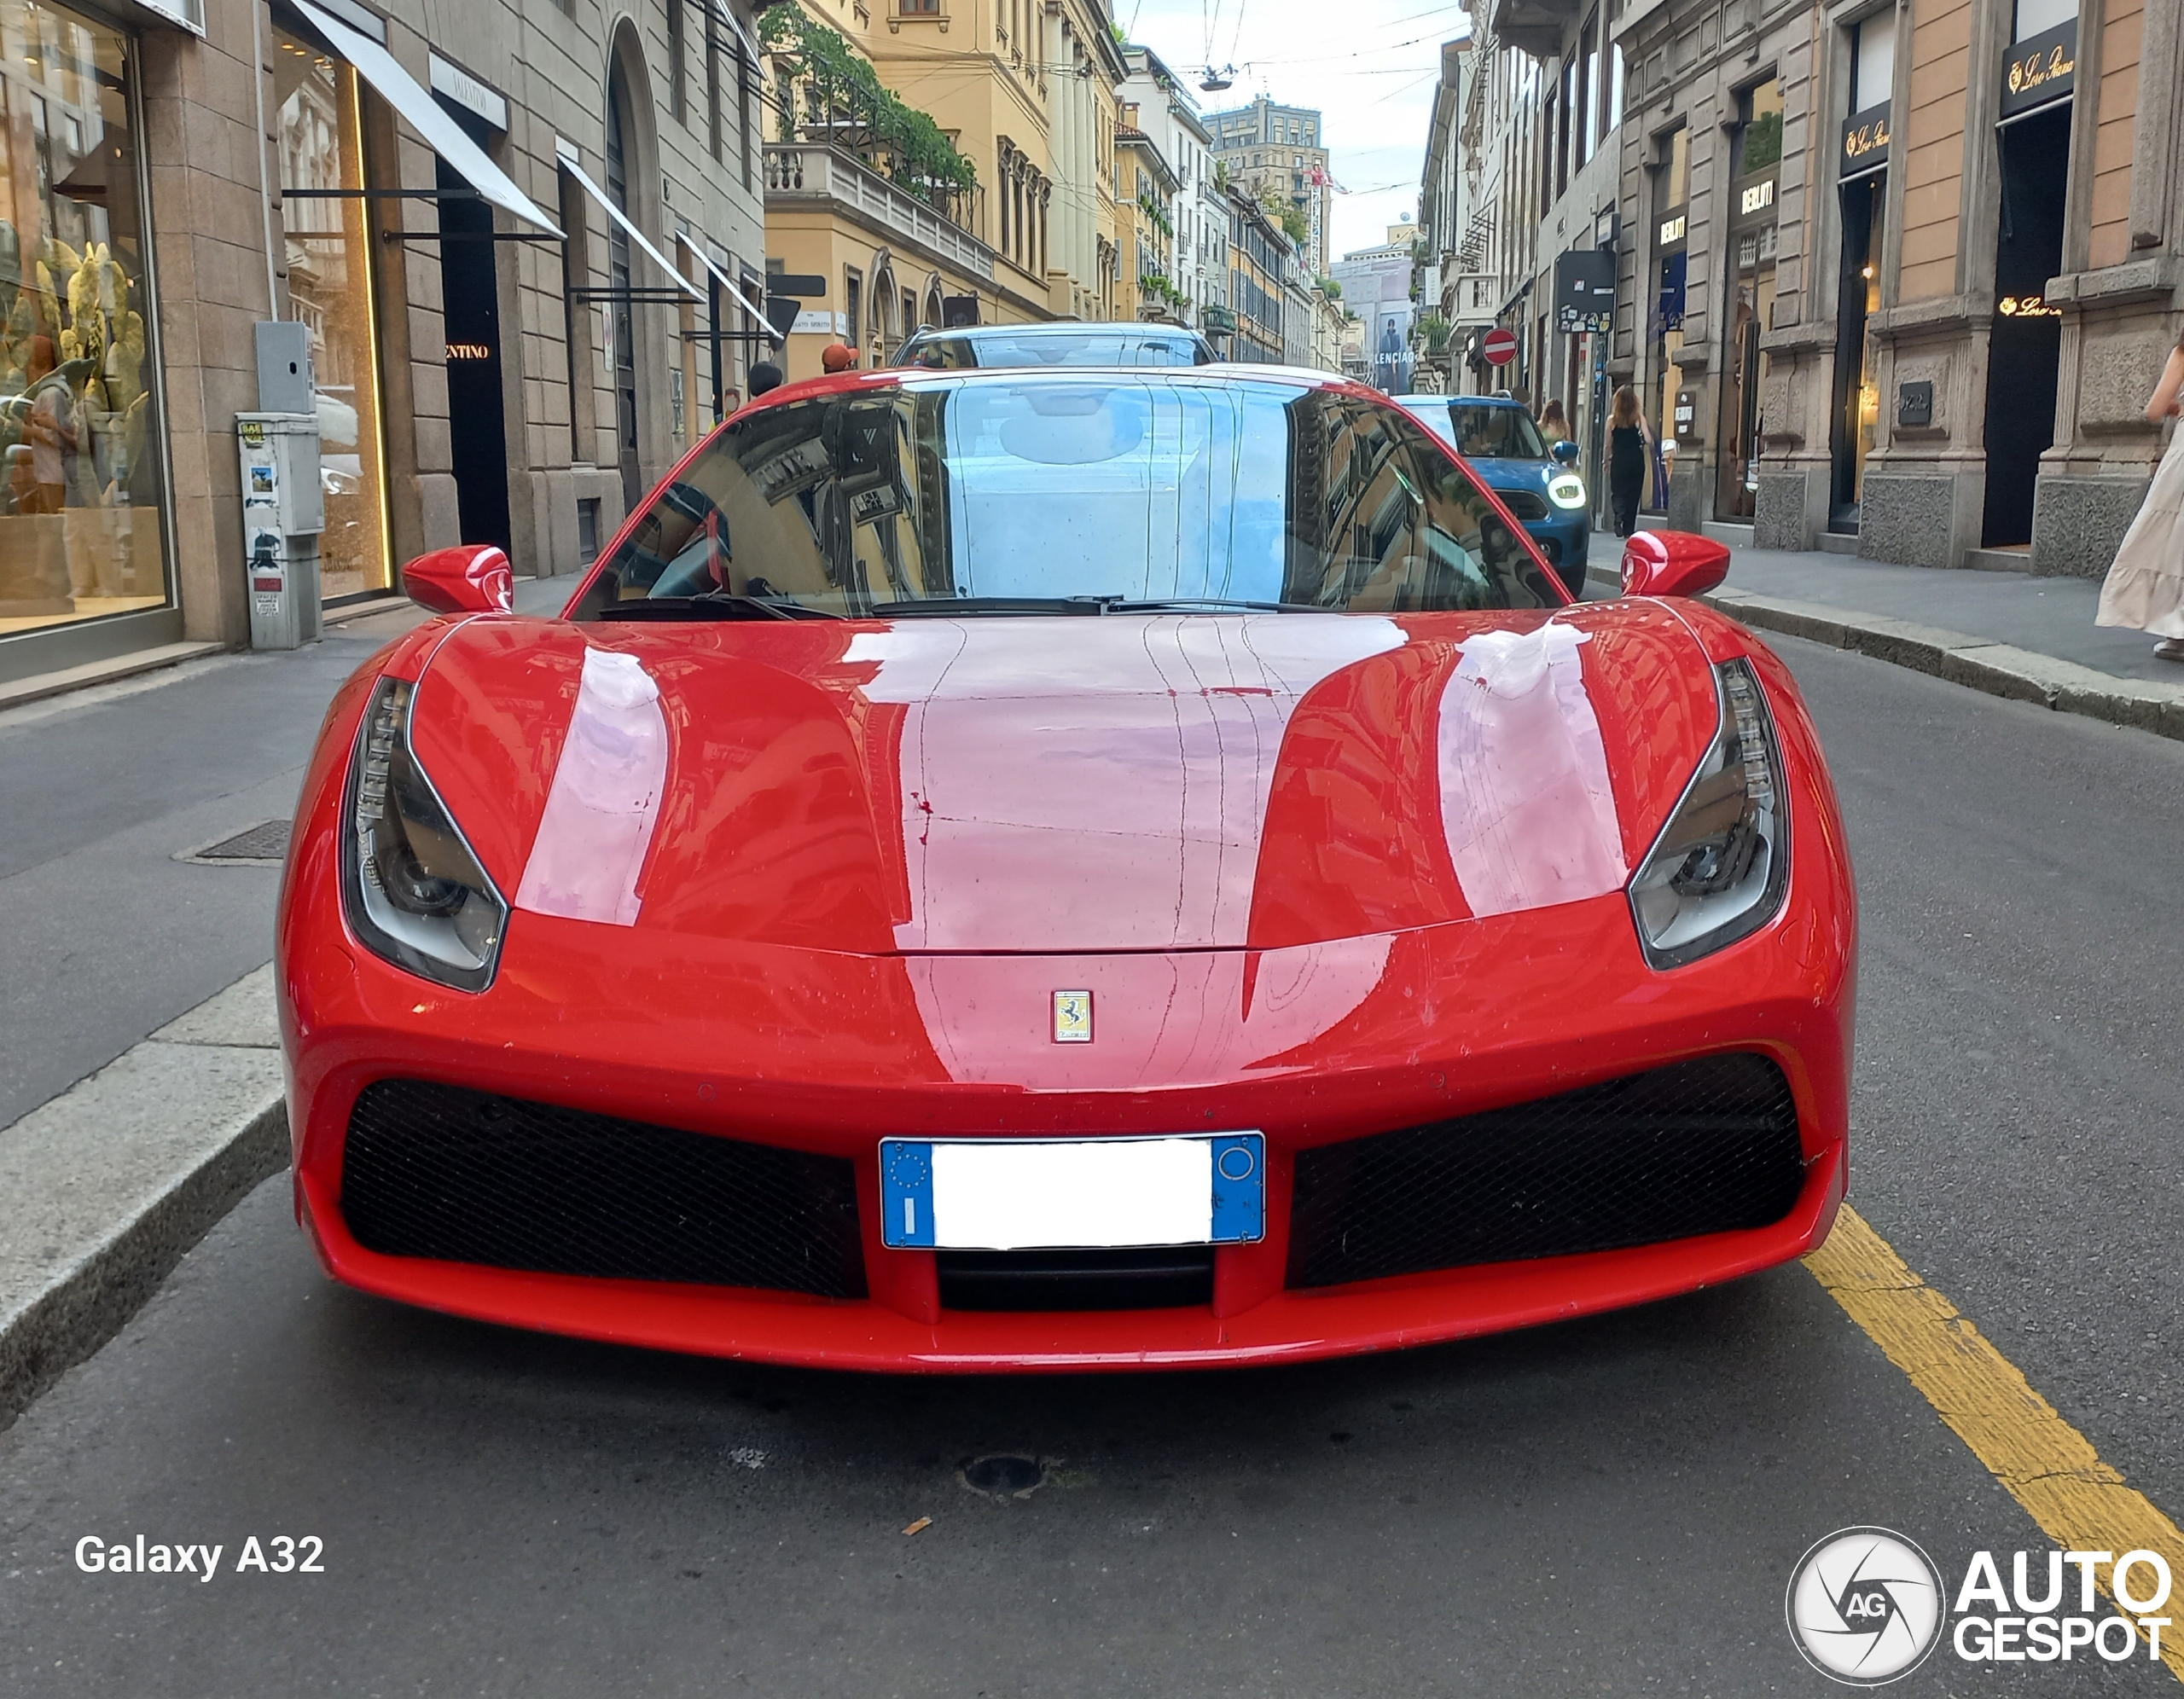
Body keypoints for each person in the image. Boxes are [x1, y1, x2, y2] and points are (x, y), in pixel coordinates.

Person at [2094, 327, 2184, 661]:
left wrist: (2177, 407)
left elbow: (2154, 409)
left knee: (2172, 538)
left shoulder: (2182, 353)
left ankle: (2177, 632)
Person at [22, 335, 77, 516]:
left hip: (55, 475)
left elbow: (56, 437)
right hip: (45, 473)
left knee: (57, 523)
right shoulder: (43, 392)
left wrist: (22, 430)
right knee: (45, 526)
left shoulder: (53, 393)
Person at [1607, 384, 1653, 538]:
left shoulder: (1612, 421)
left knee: (1619, 492)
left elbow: (1608, 444)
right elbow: (1648, 439)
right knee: (1633, 494)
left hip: (1619, 460)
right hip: (1635, 460)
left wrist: (1605, 461)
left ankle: (1618, 515)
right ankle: (1628, 530)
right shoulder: (1639, 419)